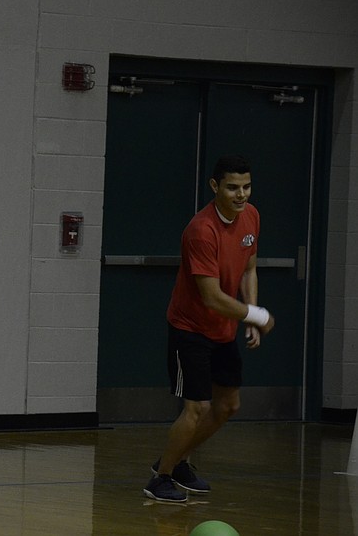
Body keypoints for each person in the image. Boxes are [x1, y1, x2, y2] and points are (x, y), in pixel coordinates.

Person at [143, 155, 276, 503]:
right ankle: (161, 478)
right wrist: (256, 315)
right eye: (233, 187)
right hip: (190, 329)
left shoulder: (252, 217)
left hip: (222, 330)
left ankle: (180, 461)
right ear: (215, 187)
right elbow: (212, 297)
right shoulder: (201, 231)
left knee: (228, 405)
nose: (241, 194)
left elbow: (249, 270)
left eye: (246, 186)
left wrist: (250, 315)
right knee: (197, 407)